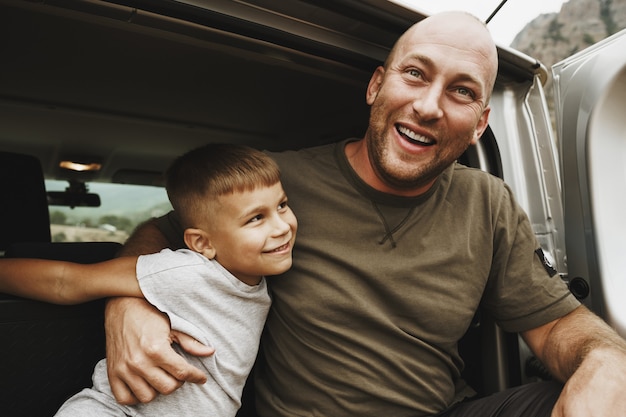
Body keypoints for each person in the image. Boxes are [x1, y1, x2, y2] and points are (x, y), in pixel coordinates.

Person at [104, 11, 626, 417]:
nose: (428, 106)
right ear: (376, 85)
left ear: (480, 124)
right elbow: (165, 233)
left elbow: (558, 323)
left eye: (461, 91)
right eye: (414, 75)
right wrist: (131, 302)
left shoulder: (487, 202)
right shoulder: (277, 185)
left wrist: (604, 359)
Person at [0, 144, 297, 417]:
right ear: (203, 243)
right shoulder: (184, 272)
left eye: (282, 205)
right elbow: (67, 281)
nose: (282, 226)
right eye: (256, 218)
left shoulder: (260, 279)